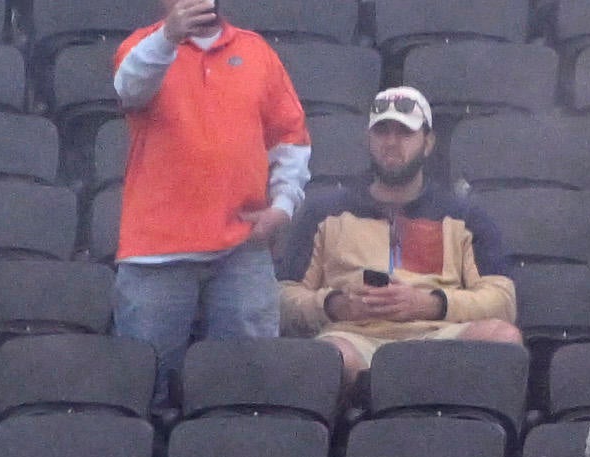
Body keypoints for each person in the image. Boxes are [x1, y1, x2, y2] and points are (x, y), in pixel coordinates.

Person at [109, 0, 309, 352]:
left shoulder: (257, 51)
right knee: (149, 380)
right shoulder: (141, 47)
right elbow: (130, 89)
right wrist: (169, 36)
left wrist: (283, 204)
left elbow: (290, 137)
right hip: (156, 252)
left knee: (248, 382)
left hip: (242, 247)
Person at [294, 85, 519, 372]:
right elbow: (283, 297)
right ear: (368, 140)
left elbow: (503, 299)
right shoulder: (324, 212)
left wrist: (430, 304)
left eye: (405, 132)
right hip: (355, 336)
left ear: (428, 142)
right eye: (382, 131)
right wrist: (334, 305)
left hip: (439, 333)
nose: (391, 142)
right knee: (330, 358)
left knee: (503, 338)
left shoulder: (463, 215)